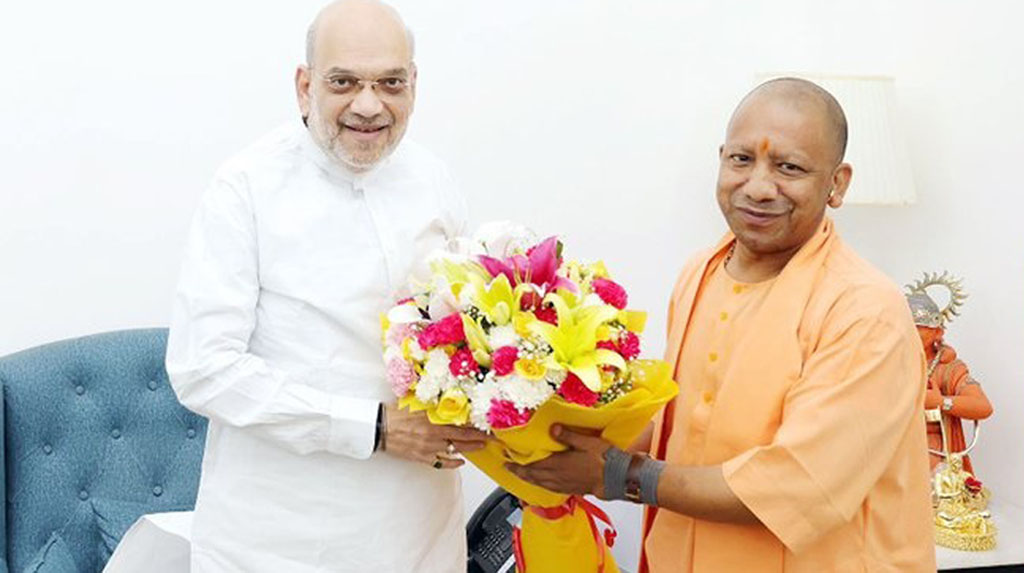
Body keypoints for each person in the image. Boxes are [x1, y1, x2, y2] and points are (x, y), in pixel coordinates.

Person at [508, 78, 936, 571]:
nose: (758, 186)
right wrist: (540, 447)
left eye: (789, 167)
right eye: (741, 159)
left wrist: (615, 474)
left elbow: (794, 486)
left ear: (837, 184)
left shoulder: (864, 310)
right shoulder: (702, 271)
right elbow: (676, 423)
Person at [165, 1, 486, 571]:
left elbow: (470, 326)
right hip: (278, 541)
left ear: (414, 84)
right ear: (304, 85)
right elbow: (203, 369)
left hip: (420, 533)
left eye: (390, 83)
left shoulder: (434, 178)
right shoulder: (245, 188)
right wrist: (375, 428)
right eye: (344, 82)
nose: (369, 105)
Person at [906, 276, 993, 474]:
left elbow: (983, 407)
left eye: (918, 327)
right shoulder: (890, 364)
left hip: (933, 448)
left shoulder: (950, 369)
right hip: (893, 443)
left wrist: (941, 402)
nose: (909, 332)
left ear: (938, 332)